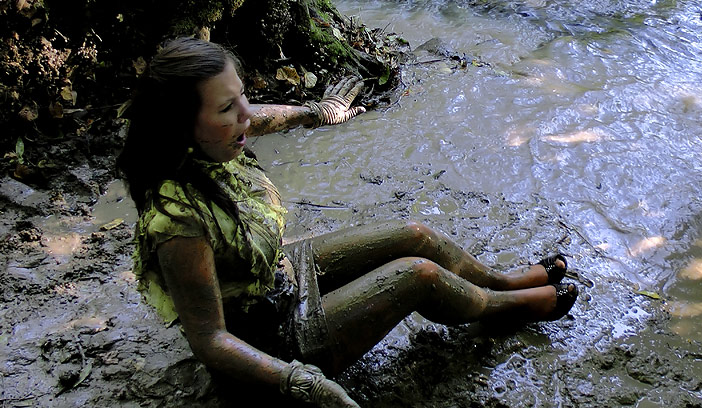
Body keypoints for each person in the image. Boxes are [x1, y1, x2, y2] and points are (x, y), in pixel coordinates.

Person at [117, 37, 579, 408]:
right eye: (227, 107)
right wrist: (301, 382)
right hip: (271, 340)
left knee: (414, 234)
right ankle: (500, 308)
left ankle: (499, 281)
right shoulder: (176, 221)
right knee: (417, 275)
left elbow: (261, 118)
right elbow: (210, 339)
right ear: (183, 126)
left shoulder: (217, 136)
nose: (245, 114)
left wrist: (318, 112)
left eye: (242, 96)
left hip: (280, 273)